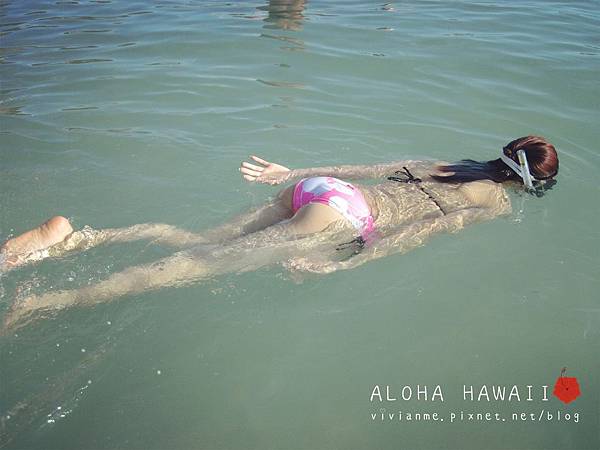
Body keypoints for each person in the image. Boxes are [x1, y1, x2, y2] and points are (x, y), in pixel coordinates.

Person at [0, 136, 558, 330]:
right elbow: (421, 234)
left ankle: (78, 238)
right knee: (195, 266)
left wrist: (290, 173)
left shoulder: (445, 163)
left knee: (188, 238)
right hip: (345, 220)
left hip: (322, 189)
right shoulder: (494, 207)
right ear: (529, 185)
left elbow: (365, 169)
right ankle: (46, 302)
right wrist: (344, 263)